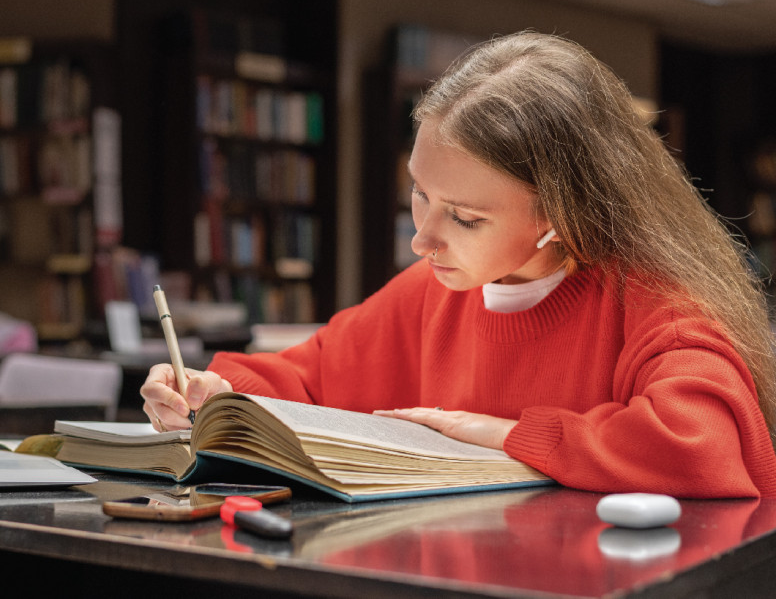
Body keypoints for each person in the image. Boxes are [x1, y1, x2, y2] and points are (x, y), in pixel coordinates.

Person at [141, 31, 776, 498]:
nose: (422, 239)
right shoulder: (429, 293)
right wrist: (209, 395)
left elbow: (703, 444)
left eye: (465, 217)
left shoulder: (651, 304)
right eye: (419, 192)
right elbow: (302, 382)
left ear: (562, 214)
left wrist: (497, 433)